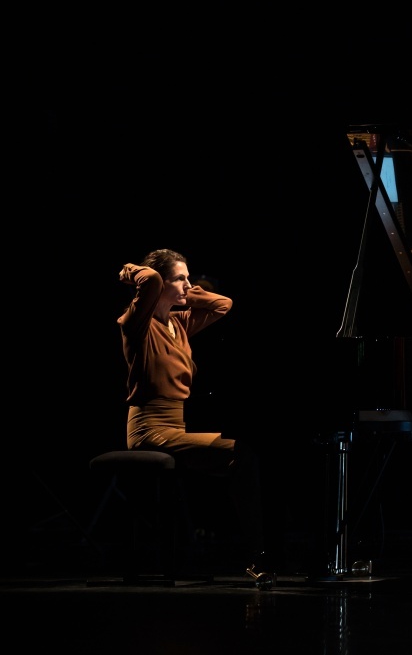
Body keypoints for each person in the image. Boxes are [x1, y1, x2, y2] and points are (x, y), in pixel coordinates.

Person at [117, 248, 273, 585]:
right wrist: (132, 271)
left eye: (189, 278)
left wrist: (190, 293)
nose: (189, 285)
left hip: (176, 425)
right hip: (148, 428)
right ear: (159, 286)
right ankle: (257, 556)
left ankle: (257, 553)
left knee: (245, 459)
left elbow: (224, 304)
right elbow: (151, 278)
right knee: (240, 455)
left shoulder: (178, 324)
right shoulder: (137, 323)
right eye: (181, 278)